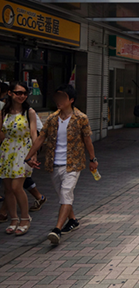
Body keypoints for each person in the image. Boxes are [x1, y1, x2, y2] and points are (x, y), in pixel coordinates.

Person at [25, 85, 98, 245]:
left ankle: (57, 229)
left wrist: (93, 159)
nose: (58, 101)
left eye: (62, 98)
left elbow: (87, 140)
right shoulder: (52, 118)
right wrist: (28, 156)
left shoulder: (81, 118)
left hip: (73, 164)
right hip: (54, 164)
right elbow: (40, 138)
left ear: (71, 100)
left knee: (66, 193)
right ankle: (72, 220)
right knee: (63, 195)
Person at [0, 82, 38, 235]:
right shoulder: (4, 111)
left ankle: (25, 218)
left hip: (24, 151)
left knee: (17, 187)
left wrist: (34, 153)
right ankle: (13, 219)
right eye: (18, 93)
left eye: (24, 93)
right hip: (7, 150)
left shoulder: (29, 112)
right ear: (10, 93)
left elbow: (34, 133)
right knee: (8, 188)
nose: (21, 96)